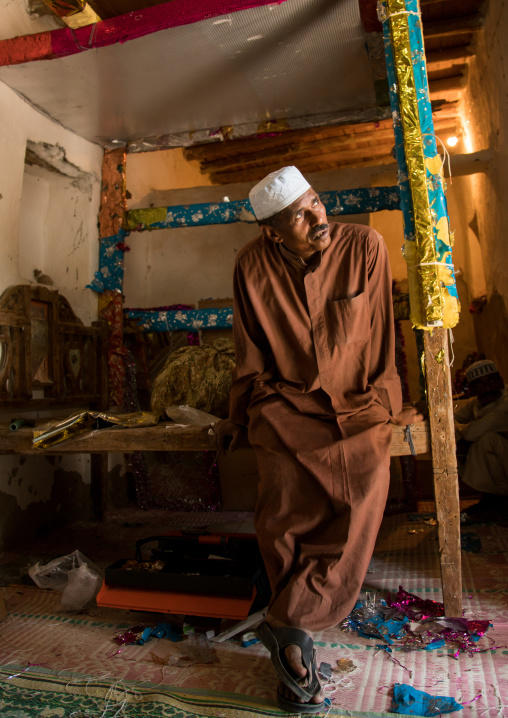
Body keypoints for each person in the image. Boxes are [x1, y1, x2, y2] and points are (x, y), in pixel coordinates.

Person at [213, 166, 423, 713]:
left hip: (356, 404)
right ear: (272, 233)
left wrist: (385, 404)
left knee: (362, 497)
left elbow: (380, 333)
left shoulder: (365, 245)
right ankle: (296, 637)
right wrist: (240, 414)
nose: (318, 217)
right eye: (300, 217)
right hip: (286, 401)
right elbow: (249, 350)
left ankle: (286, 623)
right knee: (282, 500)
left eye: (317, 203)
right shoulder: (250, 265)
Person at [454, 359, 508, 524]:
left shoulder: (505, 403)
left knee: (487, 441)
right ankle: (492, 500)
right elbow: (450, 417)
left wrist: (461, 434)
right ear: (472, 389)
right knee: (455, 442)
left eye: (492, 381)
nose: (488, 388)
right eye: (480, 384)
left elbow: (471, 433)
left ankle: (503, 502)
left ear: (499, 381)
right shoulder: (478, 403)